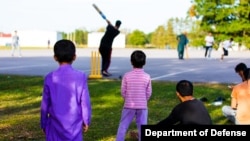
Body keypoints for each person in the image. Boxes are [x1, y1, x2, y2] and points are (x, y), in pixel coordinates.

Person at [40, 39, 92, 141]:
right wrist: (86, 120)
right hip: (74, 127)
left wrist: (43, 122)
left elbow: (45, 104)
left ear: (55, 57)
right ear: (74, 57)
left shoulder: (50, 78)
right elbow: (85, 103)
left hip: (54, 125)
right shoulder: (81, 76)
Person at [116, 50, 152, 141]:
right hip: (142, 106)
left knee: (123, 126)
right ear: (144, 62)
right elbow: (149, 92)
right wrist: (144, 100)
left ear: (131, 62)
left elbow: (123, 91)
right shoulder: (147, 76)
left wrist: (127, 99)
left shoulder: (127, 76)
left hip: (129, 105)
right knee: (142, 127)